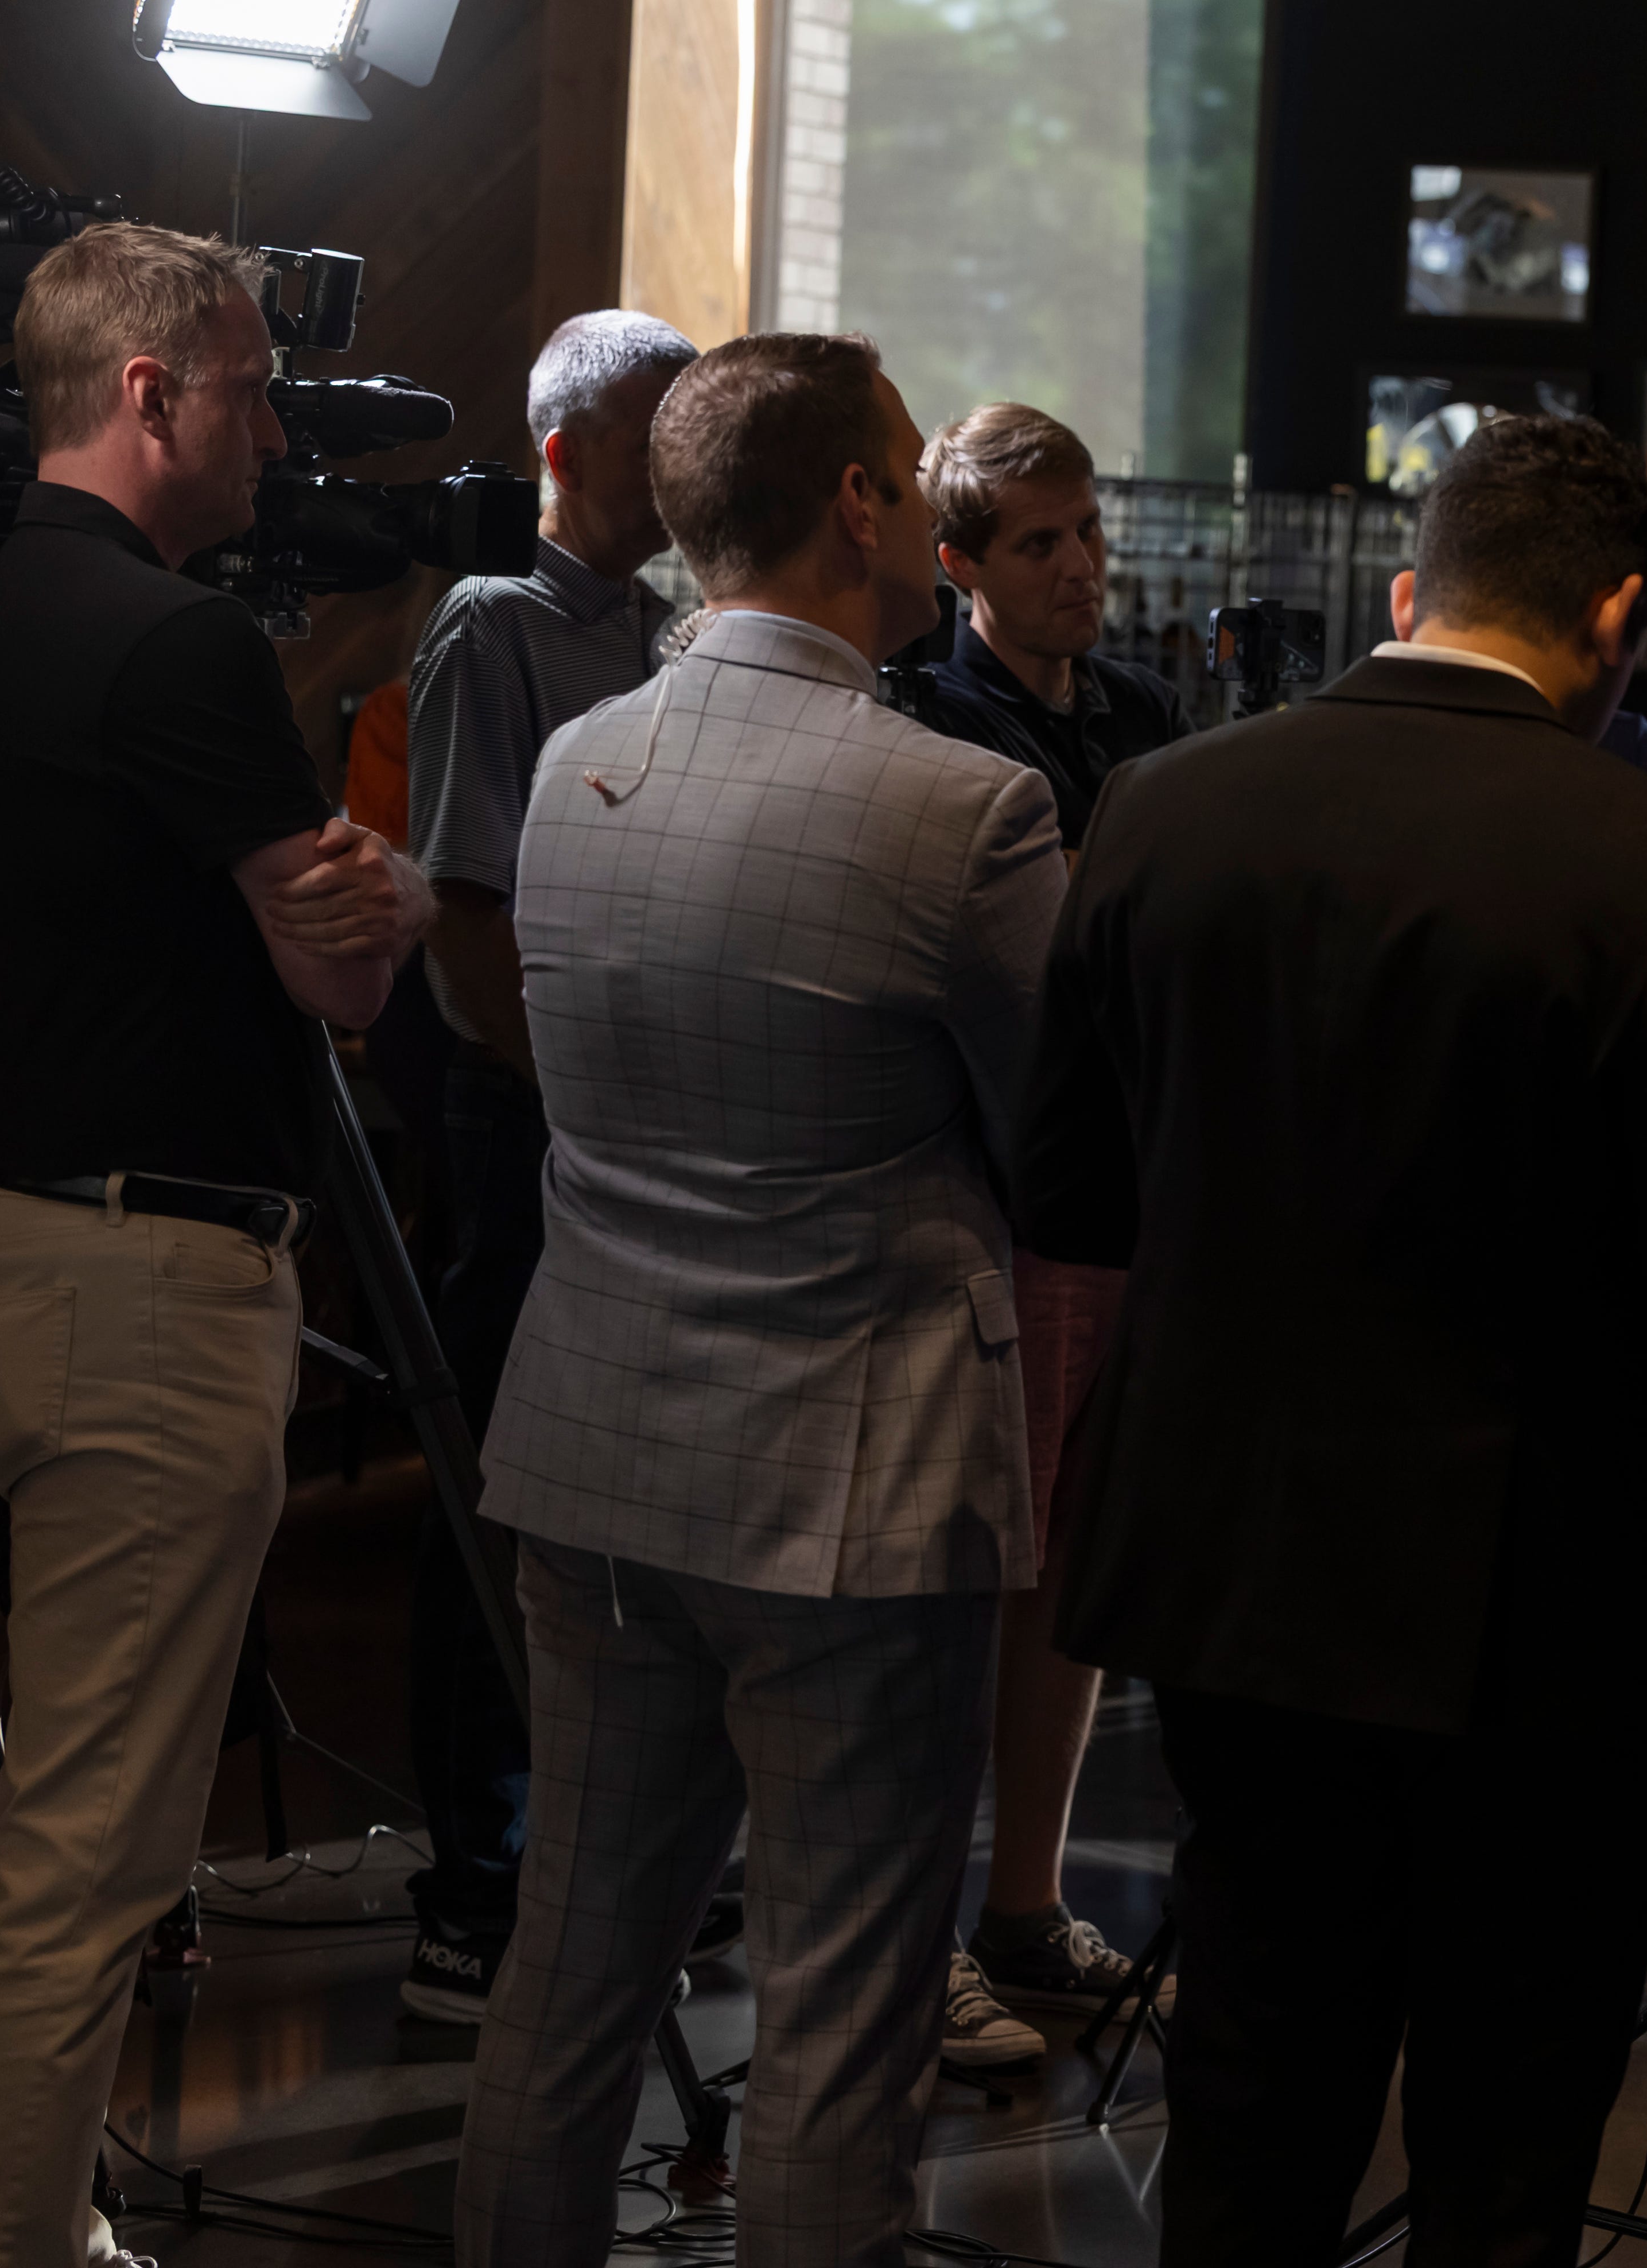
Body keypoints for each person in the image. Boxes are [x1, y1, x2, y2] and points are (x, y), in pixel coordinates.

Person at [1013, 412, 1647, 2265]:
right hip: (1533, 1593)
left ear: (1405, 592)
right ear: (1618, 615)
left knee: (1255, 2100)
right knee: (1507, 2132)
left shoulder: (1160, 806)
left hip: (1232, 1558)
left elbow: (1071, 1196)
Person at [449, 333, 1067, 2261]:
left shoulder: (573, 767)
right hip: (852, 1505)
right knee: (836, 2036)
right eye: (905, 467)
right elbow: (1073, 1147)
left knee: (563, 2000)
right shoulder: (961, 813)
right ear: (863, 503)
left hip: (601, 1460)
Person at [0, 221, 435, 2264]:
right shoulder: (180, 645)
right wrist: (377, 907)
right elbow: (341, 987)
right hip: (148, 1296)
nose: (280, 428)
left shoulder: (7, 593)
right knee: (89, 1859)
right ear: (151, 394)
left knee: (76, 1824)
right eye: (250, 387)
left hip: (29, 1251)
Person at [398, 308, 703, 2023]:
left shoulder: (664, 634)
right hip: (529, 1125)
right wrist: (571, 1093)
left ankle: (597, 1860)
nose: (676, 473)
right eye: (653, 438)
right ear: (571, 449)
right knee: (497, 1494)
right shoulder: (491, 627)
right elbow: (463, 919)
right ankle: (473, 1880)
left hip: (629, 1121)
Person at [908, 398, 1188, 2066]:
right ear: (959, 566)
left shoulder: (1142, 711)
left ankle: (1024, 1900)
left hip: (1124, 1186)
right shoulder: (929, 716)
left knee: (1076, 1565)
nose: (1080, 567)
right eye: (1039, 543)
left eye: (1087, 534)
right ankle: (932, 1925)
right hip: (997, 1193)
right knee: (974, 1571)